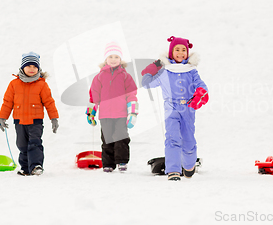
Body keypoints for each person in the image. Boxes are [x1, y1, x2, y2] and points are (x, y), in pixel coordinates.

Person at [142, 36, 209, 181]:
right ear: (171, 52)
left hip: (188, 108)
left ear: (187, 52)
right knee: (172, 138)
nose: (180, 53)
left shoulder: (191, 70)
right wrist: (151, 69)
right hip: (171, 108)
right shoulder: (165, 71)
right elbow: (147, 83)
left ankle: (189, 165)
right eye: (177, 50)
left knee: (188, 141)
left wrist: (200, 94)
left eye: (183, 50)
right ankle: (173, 170)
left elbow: (201, 86)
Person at [0, 51, 59, 176]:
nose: (32, 69)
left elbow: (49, 102)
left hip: (35, 121)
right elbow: (8, 102)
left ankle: (36, 166)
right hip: (19, 121)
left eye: (35, 67)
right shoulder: (14, 84)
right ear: (22, 67)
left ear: (38, 68)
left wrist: (54, 118)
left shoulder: (42, 84)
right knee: (22, 145)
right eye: (29, 66)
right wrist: (3, 117)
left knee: (35, 143)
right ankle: (25, 168)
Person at [87, 42, 138, 172]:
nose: (113, 60)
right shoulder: (99, 77)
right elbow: (94, 97)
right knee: (107, 139)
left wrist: (132, 113)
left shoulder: (125, 76)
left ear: (120, 59)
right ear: (105, 60)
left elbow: (132, 95)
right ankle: (108, 164)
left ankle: (122, 161)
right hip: (104, 115)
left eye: (116, 57)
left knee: (121, 137)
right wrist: (90, 113)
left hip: (121, 114)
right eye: (111, 57)